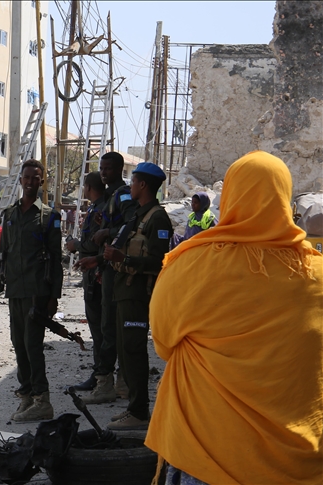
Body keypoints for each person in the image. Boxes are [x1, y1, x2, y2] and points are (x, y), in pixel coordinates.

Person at [145, 151, 323, 484]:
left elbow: (165, 344)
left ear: (229, 199)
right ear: (286, 200)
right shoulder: (317, 273)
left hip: (208, 457)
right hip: (301, 464)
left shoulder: (191, 265)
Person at [0, 159, 63, 423]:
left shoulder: (49, 216)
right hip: (14, 290)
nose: (30, 182)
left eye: (35, 178)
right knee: (19, 344)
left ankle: (42, 400)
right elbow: (3, 255)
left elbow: (55, 257)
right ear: (21, 181)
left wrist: (54, 296)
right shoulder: (10, 215)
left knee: (32, 345)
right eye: (26, 178)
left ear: (41, 181)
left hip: (37, 291)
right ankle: (26, 396)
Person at [98, 162, 172, 430]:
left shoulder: (157, 218)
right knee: (125, 352)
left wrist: (124, 258)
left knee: (134, 352)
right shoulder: (139, 215)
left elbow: (160, 261)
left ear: (143, 185)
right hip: (123, 292)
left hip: (139, 294)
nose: (130, 186)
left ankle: (140, 413)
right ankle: (134, 408)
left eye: (134, 182)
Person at [73, 152, 138, 404]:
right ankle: (114, 381)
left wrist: (107, 232)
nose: (104, 172)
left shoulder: (121, 194)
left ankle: (107, 383)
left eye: (108, 169)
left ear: (119, 169)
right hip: (104, 265)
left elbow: (131, 223)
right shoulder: (111, 196)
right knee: (106, 326)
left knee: (109, 326)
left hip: (115, 268)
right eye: (101, 168)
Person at [66, 172, 107, 391]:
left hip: (95, 274)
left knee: (98, 327)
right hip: (92, 271)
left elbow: (94, 243)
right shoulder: (97, 207)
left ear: (89, 188)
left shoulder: (100, 208)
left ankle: (101, 375)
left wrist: (76, 246)